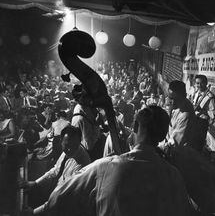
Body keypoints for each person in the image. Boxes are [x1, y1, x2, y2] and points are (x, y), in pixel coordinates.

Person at [46, 106, 190, 216]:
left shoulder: (105, 167)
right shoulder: (174, 176)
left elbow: (56, 198)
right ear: (162, 135)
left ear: (134, 127)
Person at [20, 125, 91, 215]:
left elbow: (63, 196)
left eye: (74, 145)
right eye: (67, 145)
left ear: (79, 142)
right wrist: (36, 183)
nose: (70, 149)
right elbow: (56, 170)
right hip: (56, 195)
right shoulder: (69, 151)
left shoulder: (82, 165)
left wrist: (34, 212)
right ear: (61, 141)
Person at [159, 80, 195, 151]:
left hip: (176, 152)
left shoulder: (185, 115)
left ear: (184, 96)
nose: (173, 102)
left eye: (176, 99)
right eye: (171, 98)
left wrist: (158, 148)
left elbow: (174, 143)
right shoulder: (175, 104)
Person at [191, 75, 215, 148]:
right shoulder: (196, 93)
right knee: (190, 142)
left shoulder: (210, 97)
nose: (199, 85)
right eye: (197, 83)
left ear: (206, 83)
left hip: (201, 123)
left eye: (202, 83)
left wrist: (204, 111)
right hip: (193, 120)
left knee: (197, 145)